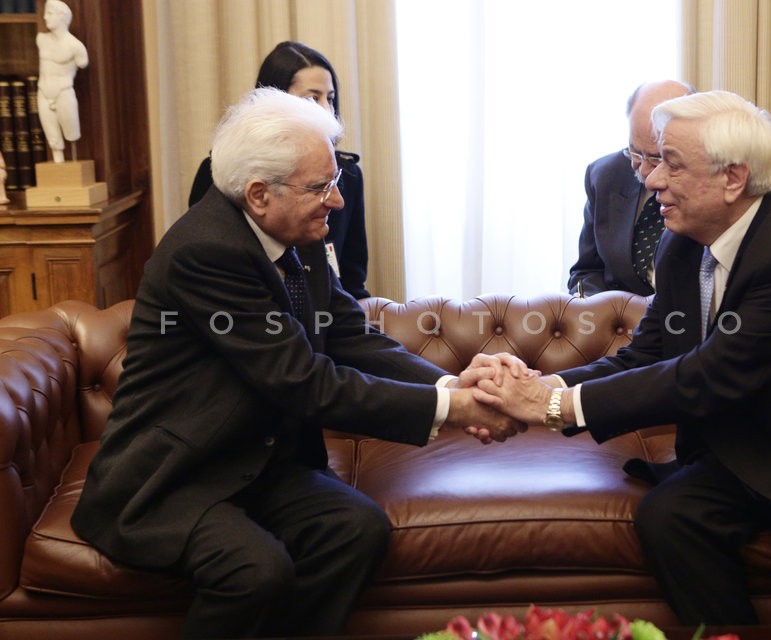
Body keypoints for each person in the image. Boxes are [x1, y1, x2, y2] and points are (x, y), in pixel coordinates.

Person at [476, 90, 771, 626]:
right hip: (748, 454)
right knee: (669, 517)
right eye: (651, 162)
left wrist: (553, 407)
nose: (650, 182)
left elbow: (710, 375)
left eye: (670, 165)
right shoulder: (683, 245)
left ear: (733, 178)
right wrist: (540, 386)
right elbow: (647, 354)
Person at [70, 87, 524, 639]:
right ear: (259, 194)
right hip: (178, 476)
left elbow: (349, 335)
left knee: (355, 530)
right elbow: (303, 383)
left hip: (258, 462)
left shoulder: (299, 233)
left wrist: (450, 382)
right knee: (255, 573)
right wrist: (454, 408)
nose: (336, 200)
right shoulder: (207, 251)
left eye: (333, 181)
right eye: (322, 186)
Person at [189, 41, 371, 299]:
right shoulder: (220, 173)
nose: (326, 111)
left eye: (329, 99)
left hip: (326, 310)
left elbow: (352, 280)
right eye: (311, 99)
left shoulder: (348, 174)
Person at [567, 80, 693, 297]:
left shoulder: (705, 184)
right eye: (635, 152)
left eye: (656, 158)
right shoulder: (605, 176)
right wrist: (595, 310)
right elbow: (587, 270)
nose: (644, 171)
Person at [36, 0, 88, 164]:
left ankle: (72, 164)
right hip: (43, 91)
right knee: (53, 138)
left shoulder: (76, 47)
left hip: (63, 91)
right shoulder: (41, 39)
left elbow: (82, 63)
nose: (45, 17)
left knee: (71, 132)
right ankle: (59, 165)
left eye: (49, 13)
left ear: (62, 17)